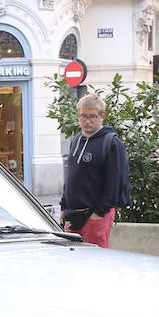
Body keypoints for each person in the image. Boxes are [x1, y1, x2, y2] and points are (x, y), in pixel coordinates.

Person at [59, 93, 128, 248]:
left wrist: (98, 214)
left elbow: (114, 183)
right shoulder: (76, 140)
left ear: (101, 117)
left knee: (96, 263)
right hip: (72, 216)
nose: (87, 121)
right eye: (83, 116)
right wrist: (64, 206)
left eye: (92, 116)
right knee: (74, 260)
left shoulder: (112, 144)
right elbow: (71, 176)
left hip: (95, 215)